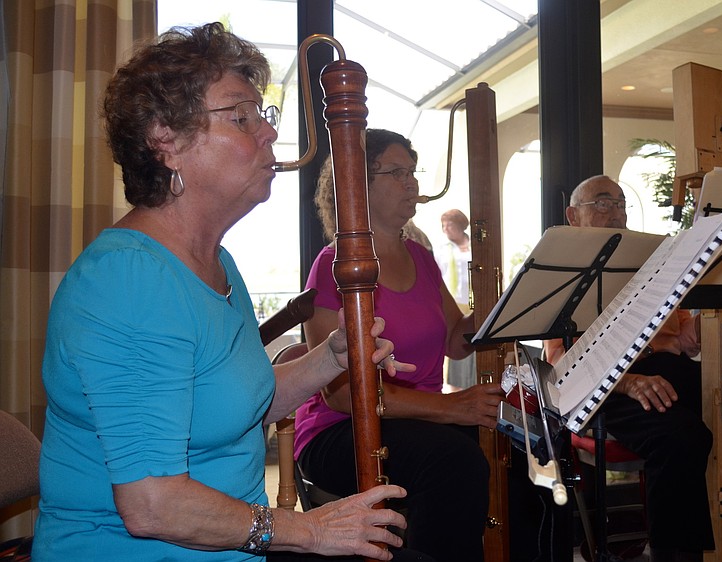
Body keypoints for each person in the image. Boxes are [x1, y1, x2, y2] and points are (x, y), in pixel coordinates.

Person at [33, 23, 427, 562]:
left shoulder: (216, 262)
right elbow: (152, 504)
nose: (267, 134)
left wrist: (328, 360)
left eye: (262, 116)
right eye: (241, 117)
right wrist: (310, 530)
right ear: (165, 140)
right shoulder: (129, 281)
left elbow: (235, 405)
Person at [543, 175, 722, 562]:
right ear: (573, 215)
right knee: (683, 437)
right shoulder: (565, 270)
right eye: (603, 203)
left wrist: (715, 284)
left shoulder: (649, 260)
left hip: (668, 368)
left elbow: (687, 338)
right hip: (602, 384)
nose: (616, 213)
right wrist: (628, 381)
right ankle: (674, 553)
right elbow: (557, 363)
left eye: (621, 203)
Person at [295, 128, 505, 562]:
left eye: (412, 173)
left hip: (420, 421)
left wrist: (499, 312)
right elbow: (340, 396)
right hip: (339, 433)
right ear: (355, 184)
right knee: (454, 462)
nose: (412, 184)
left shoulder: (423, 258)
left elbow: (454, 342)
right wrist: (452, 407)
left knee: (513, 450)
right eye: (396, 173)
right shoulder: (333, 265)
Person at [434, 209, 476, 389]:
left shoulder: (475, 245)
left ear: (459, 225)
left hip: (472, 301)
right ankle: (458, 385)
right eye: (442, 225)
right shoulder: (441, 249)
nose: (445, 229)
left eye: (448, 225)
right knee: (455, 341)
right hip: (453, 300)